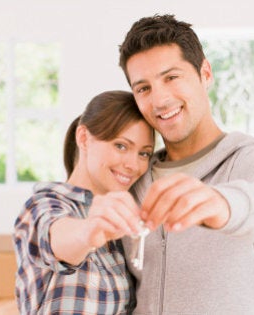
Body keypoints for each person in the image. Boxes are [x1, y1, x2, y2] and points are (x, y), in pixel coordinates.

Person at [118, 14, 254, 314]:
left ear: (205, 73)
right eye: (144, 88)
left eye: (171, 77)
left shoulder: (252, 158)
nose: (160, 100)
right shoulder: (134, 180)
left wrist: (223, 204)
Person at [13, 90, 154, 314]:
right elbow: (57, 238)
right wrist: (87, 232)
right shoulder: (43, 205)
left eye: (144, 154)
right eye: (121, 146)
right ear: (83, 138)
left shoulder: (120, 226)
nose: (133, 165)